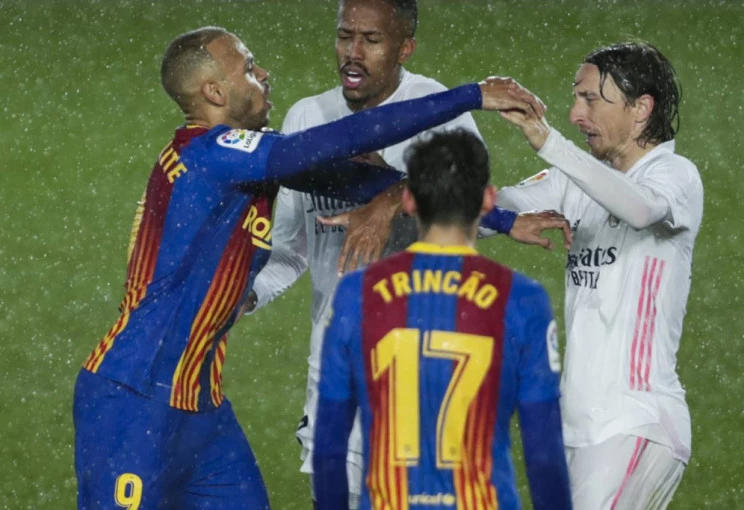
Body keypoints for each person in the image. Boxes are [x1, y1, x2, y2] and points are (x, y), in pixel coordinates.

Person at [72, 25, 545, 509]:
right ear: (214, 92)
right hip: (131, 398)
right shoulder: (209, 154)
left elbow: (361, 182)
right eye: (248, 68)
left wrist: (506, 221)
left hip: (201, 407)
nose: (263, 74)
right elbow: (344, 138)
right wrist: (470, 97)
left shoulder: (246, 158)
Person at [248, 1, 571, 506]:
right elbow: (289, 253)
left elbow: (462, 215)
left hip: (429, 367)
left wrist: (389, 200)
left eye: (372, 40)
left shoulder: (441, 113)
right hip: (340, 358)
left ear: (405, 48)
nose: (353, 53)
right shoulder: (307, 117)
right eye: (345, 36)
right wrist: (245, 295)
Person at [312, 129, 573, 510]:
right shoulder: (522, 299)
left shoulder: (357, 294)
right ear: (487, 200)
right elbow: (544, 450)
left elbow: (329, 445)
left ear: (409, 200)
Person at [496, 42, 703, 509]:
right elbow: (478, 214)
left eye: (590, 99)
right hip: (579, 431)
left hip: (635, 420)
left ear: (641, 109)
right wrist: (397, 197)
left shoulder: (674, 175)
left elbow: (640, 209)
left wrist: (550, 143)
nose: (575, 114)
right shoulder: (576, 181)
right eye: (576, 98)